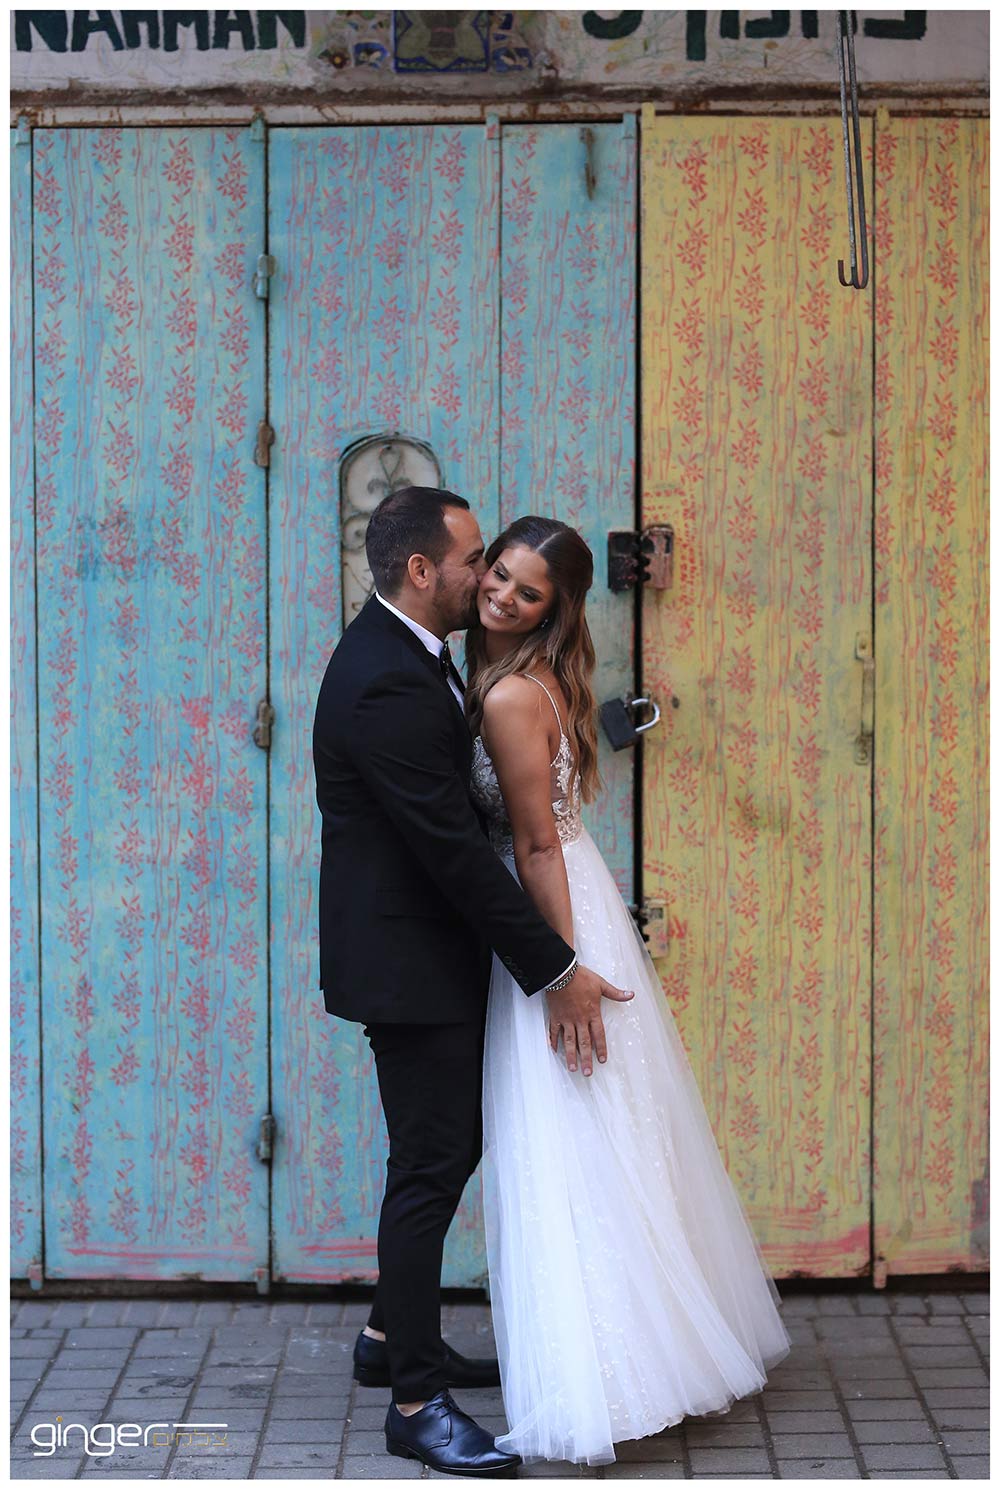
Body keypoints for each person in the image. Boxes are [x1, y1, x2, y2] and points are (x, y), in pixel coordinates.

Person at [311, 487, 633, 1479]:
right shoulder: (386, 680)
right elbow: (453, 852)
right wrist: (557, 969)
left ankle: (386, 1337)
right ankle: (415, 1402)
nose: (485, 574)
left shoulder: (415, 654)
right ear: (424, 571)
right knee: (428, 1166)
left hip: (430, 952)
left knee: (449, 1150)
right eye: (474, 559)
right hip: (408, 963)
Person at [465, 516, 793, 1467]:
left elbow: (535, 843)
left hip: (556, 918)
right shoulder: (522, 675)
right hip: (570, 900)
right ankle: (653, 1351)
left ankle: (614, 1377)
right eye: (499, 574)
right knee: (604, 1124)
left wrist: (561, 973)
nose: (503, 595)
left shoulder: (511, 694)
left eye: (528, 591)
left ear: (553, 609)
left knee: (573, 1122)